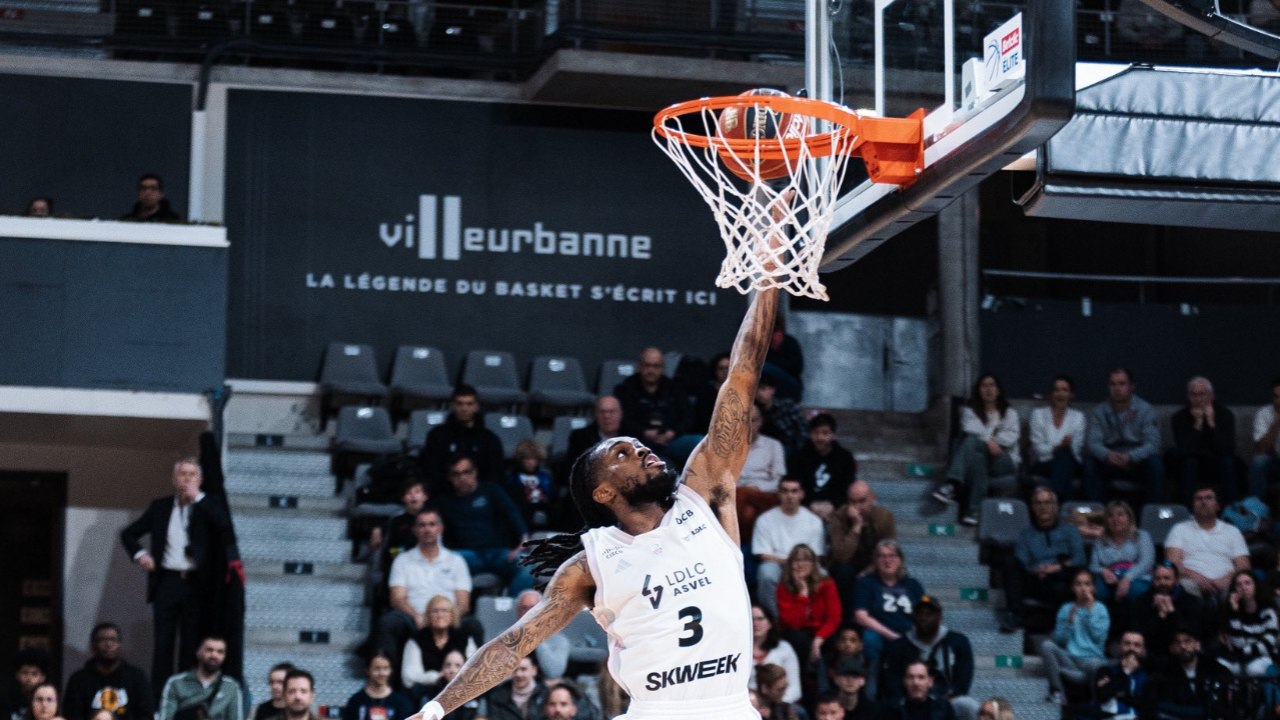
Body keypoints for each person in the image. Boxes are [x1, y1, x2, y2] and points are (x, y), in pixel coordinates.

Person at [409, 266, 781, 720]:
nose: (640, 449)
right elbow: (512, 645)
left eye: (637, 444)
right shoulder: (592, 564)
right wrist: (435, 710)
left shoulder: (704, 496)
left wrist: (769, 278)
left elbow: (742, 376)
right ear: (603, 492)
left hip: (731, 709)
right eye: (622, 452)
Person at [120, 458, 240, 692]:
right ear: (174, 480)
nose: (186, 479)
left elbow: (225, 525)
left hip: (196, 583)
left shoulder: (207, 506)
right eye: (182, 474)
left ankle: (185, 695)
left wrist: (198, 498)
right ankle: (159, 697)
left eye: (192, 474)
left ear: (200, 480)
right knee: (163, 643)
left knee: (191, 643)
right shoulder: (160, 507)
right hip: (167, 580)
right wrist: (141, 555)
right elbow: (129, 534)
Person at [376, 509, 473, 668]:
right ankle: (387, 678)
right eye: (422, 525)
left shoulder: (456, 561)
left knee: (473, 625)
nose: (427, 529)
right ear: (414, 530)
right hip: (413, 616)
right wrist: (417, 616)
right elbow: (397, 599)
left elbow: (463, 604)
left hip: (449, 615)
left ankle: (475, 679)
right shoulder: (402, 560)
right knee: (388, 623)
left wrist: (446, 617)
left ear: (440, 528)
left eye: (432, 524)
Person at [435, 454, 534, 595]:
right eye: (456, 474)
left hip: (498, 553)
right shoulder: (443, 501)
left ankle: (514, 606)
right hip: (466, 556)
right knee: (440, 565)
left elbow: (512, 512)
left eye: (466, 472)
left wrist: (524, 540)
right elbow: (433, 526)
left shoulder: (491, 490)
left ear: (475, 472)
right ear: (450, 477)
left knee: (528, 564)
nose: (462, 477)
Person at [931, 374, 1020, 527]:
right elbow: (969, 428)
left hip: (1004, 458)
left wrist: (991, 441)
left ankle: (952, 484)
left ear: (998, 390)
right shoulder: (970, 412)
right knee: (977, 456)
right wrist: (990, 440)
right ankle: (974, 511)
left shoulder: (1010, 413)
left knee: (972, 442)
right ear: (978, 390)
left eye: (992, 385)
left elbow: (1011, 437)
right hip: (982, 456)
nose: (988, 389)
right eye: (984, 385)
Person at [997, 487, 1085, 632]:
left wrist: (1056, 568)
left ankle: (1063, 624)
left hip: (1061, 578)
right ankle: (1016, 615)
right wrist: (1037, 570)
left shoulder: (1070, 531)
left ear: (1055, 506)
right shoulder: (1025, 534)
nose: (1043, 507)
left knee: (1072, 578)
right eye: (1038, 503)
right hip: (1036, 579)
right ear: (1032, 507)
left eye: (1047, 502)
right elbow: (1022, 562)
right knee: (1010, 562)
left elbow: (1080, 558)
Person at [880, 597, 977, 720]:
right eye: (920, 613)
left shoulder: (957, 642)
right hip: (909, 697)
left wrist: (948, 695)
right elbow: (892, 680)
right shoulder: (900, 645)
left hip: (947, 698)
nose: (924, 618)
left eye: (929, 614)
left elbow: (963, 679)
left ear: (940, 618)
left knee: (968, 706)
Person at [854, 540, 926, 700]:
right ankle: (872, 694)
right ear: (875, 561)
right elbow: (860, 615)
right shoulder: (866, 583)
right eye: (882, 556)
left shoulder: (913, 585)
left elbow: (925, 614)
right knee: (871, 640)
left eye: (892, 556)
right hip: (879, 633)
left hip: (908, 634)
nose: (887, 560)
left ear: (900, 560)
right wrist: (891, 635)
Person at [1083, 367, 1164, 504]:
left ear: (1131, 386)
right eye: (1113, 384)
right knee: (1090, 463)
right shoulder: (1099, 412)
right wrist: (1108, 455)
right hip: (1110, 461)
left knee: (1155, 464)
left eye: (1122, 384)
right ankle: (1096, 512)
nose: (1117, 389)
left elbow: (1153, 443)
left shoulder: (1145, 410)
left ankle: (1153, 511)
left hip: (1137, 462)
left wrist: (1131, 456)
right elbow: (1093, 443)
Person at [754, 478, 826, 615]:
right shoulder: (765, 519)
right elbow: (763, 554)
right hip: (777, 563)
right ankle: (773, 619)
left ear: (802, 494)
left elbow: (815, 555)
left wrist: (800, 566)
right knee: (766, 572)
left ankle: (812, 619)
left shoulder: (814, 521)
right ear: (779, 494)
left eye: (794, 491)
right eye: (785, 491)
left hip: (806, 564)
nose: (789, 496)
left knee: (823, 574)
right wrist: (791, 563)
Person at [1039, 569, 1110, 707]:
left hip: (1091, 661)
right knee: (1047, 645)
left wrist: (1089, 612)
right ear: (1073, 588)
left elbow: (1098, 638)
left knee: (1097, 665)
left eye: (1087, 584)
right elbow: (1059, 640)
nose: (1083, 588)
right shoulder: (1066, 609)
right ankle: (1058, 692)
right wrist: (1069, 623)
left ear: (1093, 588)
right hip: (1069, 659)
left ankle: (1094, 702)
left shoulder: (1101, 609)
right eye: (1078, 584)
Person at [1164, 485, 1250, 598]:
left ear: (1217, 506)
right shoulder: (1179, 529)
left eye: (1208, 498)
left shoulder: (1233, 531)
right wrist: (1196, 578)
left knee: (1240, 586)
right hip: (1190, 583)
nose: (1203, 502)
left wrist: (1225, 581)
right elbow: (1171, 563)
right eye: (1199, 499)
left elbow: (1244, 566)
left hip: (1226, 584)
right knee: (1184, 587)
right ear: (1193, 505)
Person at [1170, 377, 1239, 505]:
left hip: (1217, 459)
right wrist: (1198, 424)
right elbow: (1184, 448)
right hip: (1193, 461)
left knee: (1228, 463)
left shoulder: (1225, 415)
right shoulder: (1179, 417)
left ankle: (1230, 510)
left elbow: (1227, 449)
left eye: (1202, 394)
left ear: (1212, 396)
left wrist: (1211, 424)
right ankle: (1188, 510)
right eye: (1193, 395)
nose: (1198, 399)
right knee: (1189, 464)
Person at [62, 623, 154, 720]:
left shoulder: (136, 677)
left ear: (120, 645)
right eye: (103, 640)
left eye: (113, 640)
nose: (108, 644)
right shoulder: (79, 680)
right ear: (92, 646)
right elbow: (72, 714)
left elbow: (146, 714)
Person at [829, 481, 898, 605]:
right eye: (852, 502)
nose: (857, 507)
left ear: (873, 498)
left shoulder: (885, 516)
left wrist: (868, 571)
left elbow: (889, 550)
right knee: (843, 571)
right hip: (848, 564)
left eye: (862, 501)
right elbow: (841, 556)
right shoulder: (839, 517)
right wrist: (856, 526)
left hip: (875, 563)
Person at [420, 385, 506, 486]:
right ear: (452, 406)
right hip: (445, 491)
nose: (464, 409)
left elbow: (495, 474)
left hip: (480, 492)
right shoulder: (437, 436)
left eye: (469, 404)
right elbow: (430, 471)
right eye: (460, 404)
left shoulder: (489, 439)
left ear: (476, 407)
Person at [613, 346, 693, 453]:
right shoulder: (625, 389)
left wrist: (673, 432)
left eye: (656, 366)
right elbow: (621, 419)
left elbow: (688, 417)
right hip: (638, 442)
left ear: (662, 368)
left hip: (671, 440)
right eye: (647, 365)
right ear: (639, 366)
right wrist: (644, 432)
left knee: (697, 442)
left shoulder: (675, 388)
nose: (651, 370)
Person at [1141, 628, 1232, 719]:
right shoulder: (1163, 672)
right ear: (1171, 648)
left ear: (1197, 644)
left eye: (1187, 641)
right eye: (1177, 642)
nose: (1183, 646)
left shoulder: (1215, 669)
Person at [776, 544, 842, 666]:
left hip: (821, 633)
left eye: (805, 560)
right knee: (798, 638)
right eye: (796, 560)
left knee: (832, 640)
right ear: (790, 564)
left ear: (813, 564)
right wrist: (803, 594)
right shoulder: (783, 588)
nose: (800, 564)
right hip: (797, 633)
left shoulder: (827, 584)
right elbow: (793, 623)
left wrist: (818, 640)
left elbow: (833, 618)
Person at [1027, 375, 1085, 502]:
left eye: (1065, 390)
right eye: (1057, 390)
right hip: (1043, 463)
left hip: (1070, 462)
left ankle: (1053, 501)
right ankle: (1062, 503)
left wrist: (1061, 448)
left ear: (1071, 395)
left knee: (1064, 457)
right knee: (1063, 457)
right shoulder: (1038, 415)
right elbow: (1038, 449)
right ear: (1051, 394)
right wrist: (1058, 447)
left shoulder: (1078, 417)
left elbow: (1076, 449)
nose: (1060, 394)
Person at [788, 414, 856, 520]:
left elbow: (847, 487)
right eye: (816, 433)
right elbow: (794, 485)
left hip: (836, 506)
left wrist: (833, 505)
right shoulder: (798, 457)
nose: (820, 437)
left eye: (825, 433)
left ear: (833, 435)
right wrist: (810, 504)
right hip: (805, 505)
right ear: (810, 434)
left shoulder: (845, 457)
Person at [157, 637, 243, 720]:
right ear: (198, 653)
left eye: (220, 652)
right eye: (209, 650)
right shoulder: (176, 683)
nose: (214, 655)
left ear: (224, 656)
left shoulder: (231, 687)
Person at [736, 404, 787, 545]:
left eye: (753, 420)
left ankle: (730, 542)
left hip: (765, 495)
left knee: (744, 493)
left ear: (760, 422)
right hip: (735, 495)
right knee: (748, 514)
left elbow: (779, 480)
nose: (749, 425)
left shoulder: (773, 445)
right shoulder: (728, 447)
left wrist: (755, 487)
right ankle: (748, 549)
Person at [403, 596, 478, 689]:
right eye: (435, 611)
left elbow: (475, 669)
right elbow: (409, 678)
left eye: (445, 611)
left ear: (452, 615)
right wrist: (437, 677)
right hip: (428, 691)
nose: (440, 615)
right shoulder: (416, 640)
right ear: (428, 615)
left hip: (460, 689)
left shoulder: (463, 637)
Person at [1088, 500, 1154, 605]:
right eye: (1111, 516)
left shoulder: (1142, 536)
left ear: (1129, 518)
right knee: (1099, 592)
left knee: (1137, 590)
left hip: (1136, 576)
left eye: (1120, 515)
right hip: (1110, 577)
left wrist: (1127, 578)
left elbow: (1147, 561)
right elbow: (1093, 565)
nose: (1116, 519)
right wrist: (1103, 571)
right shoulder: (1100, 540)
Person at [1217, 569, 1279, 677]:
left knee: (1253, 669)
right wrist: (1234, 612)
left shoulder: (1268, 612)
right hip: (1240, 658)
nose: (1243, 587)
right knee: (1220, 665)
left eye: (1247, 583)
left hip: (1264, 657)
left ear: (1255, 586)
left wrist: (1240, 651)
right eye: (1239, 584)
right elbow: (1238, 643)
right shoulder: (1232, 614)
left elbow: (1268, 644)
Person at [1132, 562, 1203, 656]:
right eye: (1158, 578)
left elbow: (1193, 631)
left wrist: (1172, 611)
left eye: (1166, 578)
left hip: (1182, 651)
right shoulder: (1143, 600)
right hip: (1152, 651)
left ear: (1176, 581)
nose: (1162, 582)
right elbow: (1138, 633)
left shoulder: (1190, 601)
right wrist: (1160, 616)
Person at [372, 479, 431, 581]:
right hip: (403, 566)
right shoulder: (396, 520)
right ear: (403, 498)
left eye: (417, 492)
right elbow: (391, 549)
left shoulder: (433, 519)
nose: (413, 496)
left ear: (425, 497)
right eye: (409, 493)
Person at [749, 605, 802, 704]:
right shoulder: (739, 651)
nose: (755, 623)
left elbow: (795, 689)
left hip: (782, 704)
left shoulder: (784, 648)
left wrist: (777, 706)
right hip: (749, 706)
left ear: (770, 623)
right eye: (751, 619)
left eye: (760, 619)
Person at [1090, 632, 1148, 720]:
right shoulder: (1106, 670)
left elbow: (1148, 707)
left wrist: (1121, 695)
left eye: (1137, 645)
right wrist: (1126, 672)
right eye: (1127, 644)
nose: (1131, 648)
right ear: (1120, 647)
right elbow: (1102, 696)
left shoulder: (1148, 677)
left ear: (1143, 650)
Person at [343, 651, 415, 720]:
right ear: (367, 670)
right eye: (377, 668)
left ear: (391, 670)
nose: (381, 673)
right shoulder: (356, 701)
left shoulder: (401, 702)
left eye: (385, 668)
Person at [505, 439, 557, 532]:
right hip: (523, 506)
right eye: (526, 459)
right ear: (521, 460)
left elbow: (552, 495)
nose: (530, 462)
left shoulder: (545, 476)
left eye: (533, 459)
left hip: (543, 505)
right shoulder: (513, 477)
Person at [886, 661, 955, 720]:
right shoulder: (893, 709)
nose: (916, 683)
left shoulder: (943, 708)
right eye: (911, 677)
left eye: (921, 677)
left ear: (930, 682)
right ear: (904, 681)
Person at [756, 378, 807, 456]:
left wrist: (799, 448)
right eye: (755, 390)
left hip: (787, 445)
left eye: (763, 388)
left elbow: (802, 428)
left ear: (772, 390)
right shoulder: (753, 411)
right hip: (762, 447)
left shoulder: (787, 406)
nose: (759, 393)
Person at [1249, 377, 1280, 501]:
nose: (1279, 401)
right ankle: (1257, 507)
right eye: (1276, 397)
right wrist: (1276, 423)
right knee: (1258, 461)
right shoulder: (1263, 414)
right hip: (1274, 463)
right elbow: (1261, 450)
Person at [762, 313, 804, 403]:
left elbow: (796, 368)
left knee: (764, 367)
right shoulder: (761, 343)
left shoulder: (789, 342)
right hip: (770, 385)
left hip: (789, 386)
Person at [2, 649, 49, 720]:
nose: (29, 678)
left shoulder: (47, 700)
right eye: (25, 673)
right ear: (17, 674)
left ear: (42, 677)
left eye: (34, 674)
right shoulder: (6, 699)